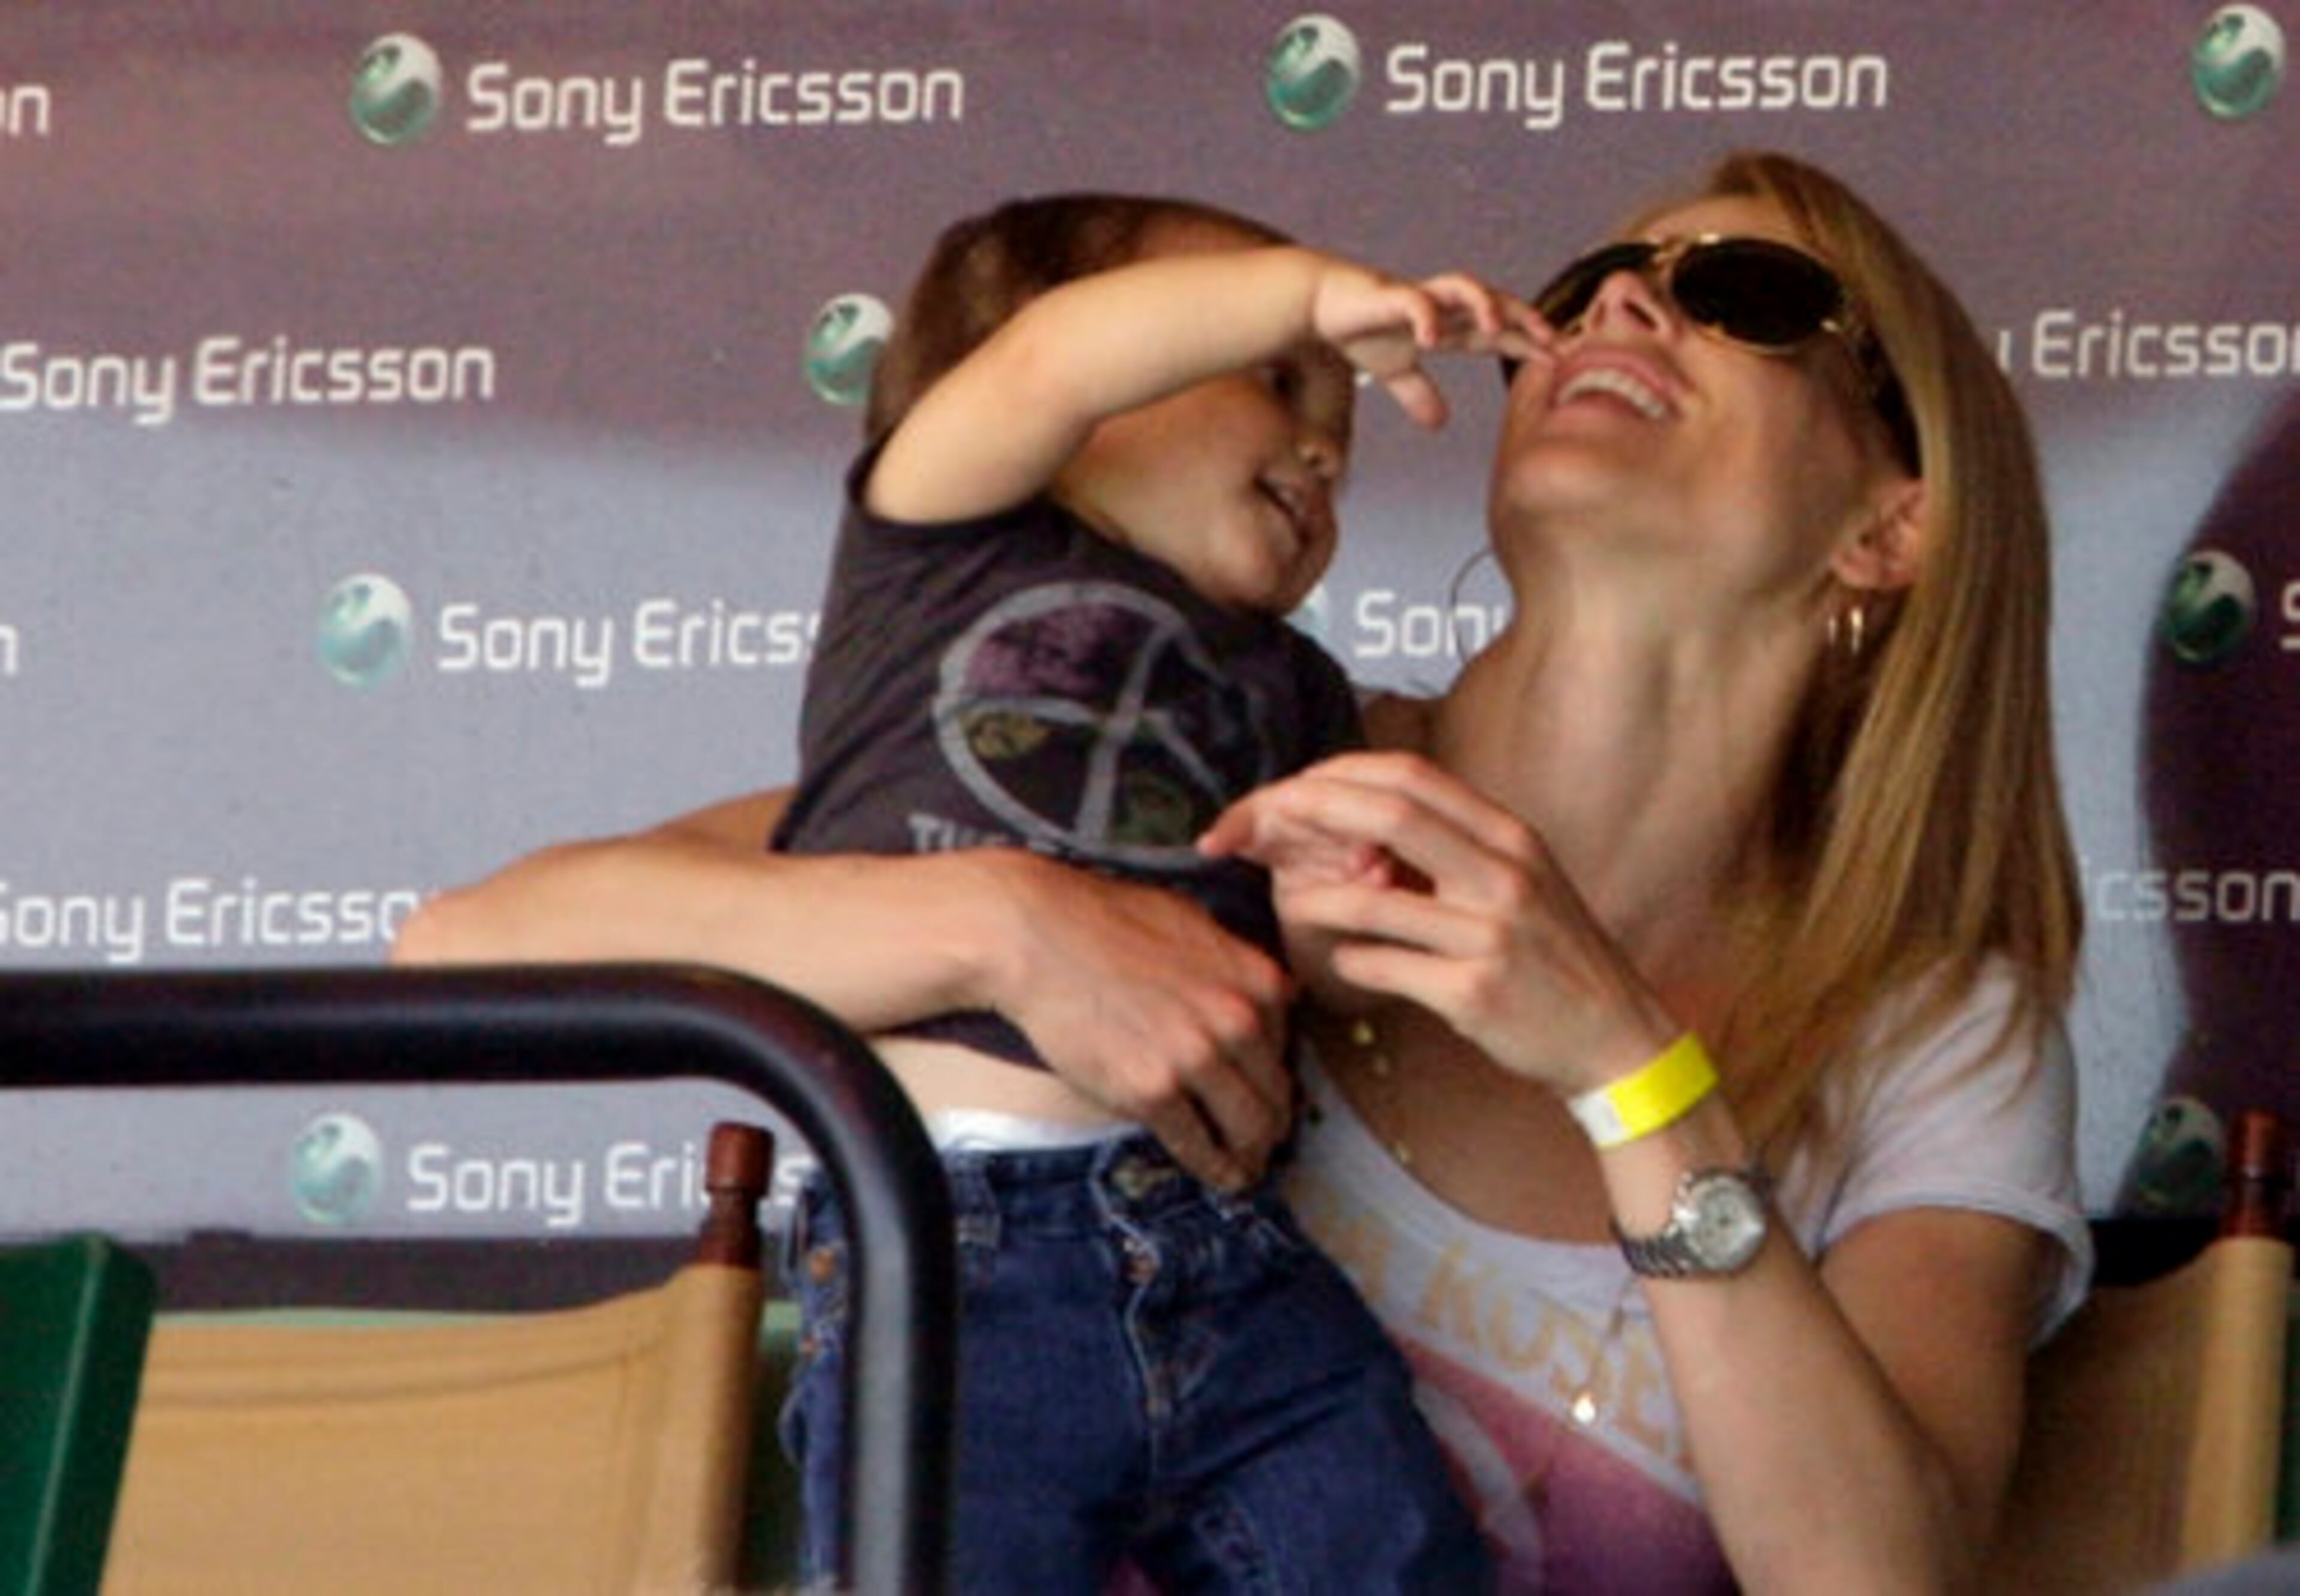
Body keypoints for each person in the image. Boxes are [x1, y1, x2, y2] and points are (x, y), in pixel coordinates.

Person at [396, 150, 2091, 1594]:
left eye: (1742, 292)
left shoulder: (1930, 1025)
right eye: (1591, 286)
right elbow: (475, 947)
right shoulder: (1221, 759)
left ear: (1890, 528)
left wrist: (1632, 1075)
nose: (1624, 305)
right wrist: (1011, 924)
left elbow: (1883, 1576)